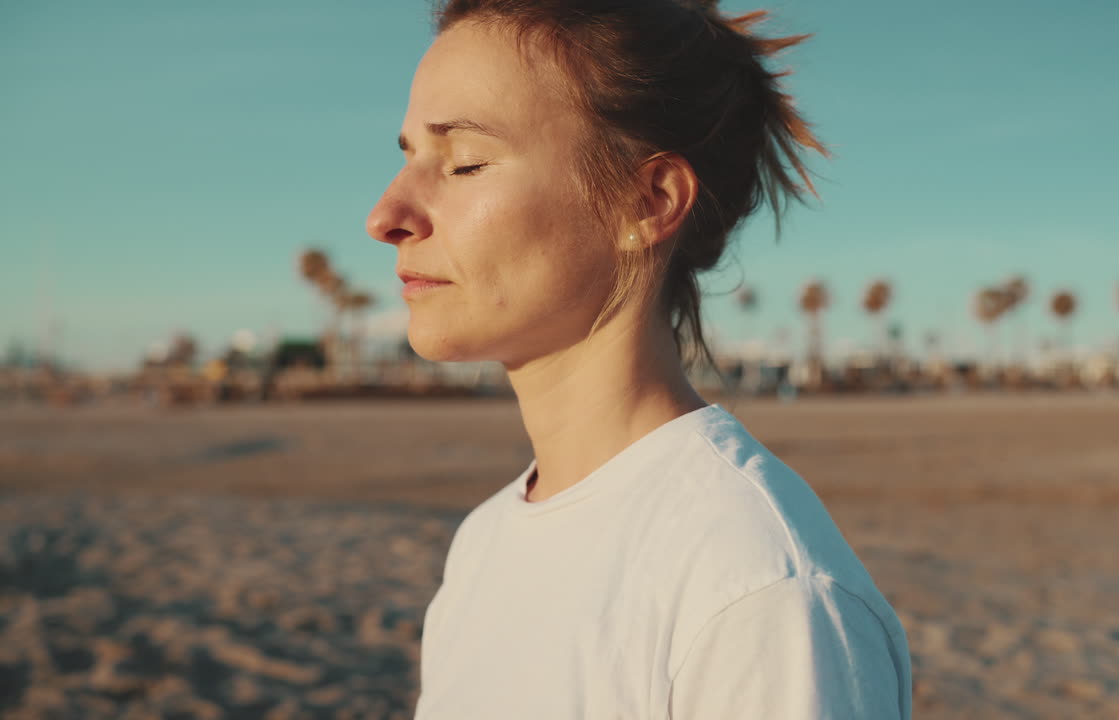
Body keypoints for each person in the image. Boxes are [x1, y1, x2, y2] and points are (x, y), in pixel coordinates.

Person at [365, 0, 912, 717]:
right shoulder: (483, 545)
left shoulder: (757, 591)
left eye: (465, 163)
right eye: (408, 157)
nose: (386, 215)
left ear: (647, 201)